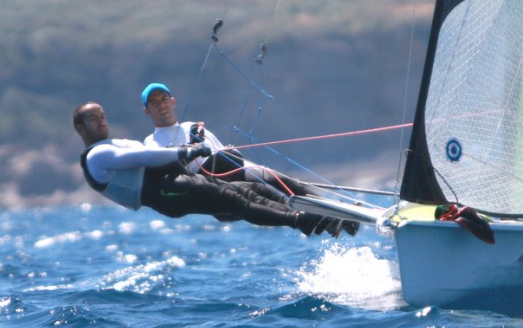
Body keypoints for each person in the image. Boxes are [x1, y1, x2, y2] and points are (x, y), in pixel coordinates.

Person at [73, 101, 357, 237]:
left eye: (103, 116)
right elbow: (145, 157)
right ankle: (303, 221)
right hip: (166, 193)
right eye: (93, 119)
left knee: (253, 189)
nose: (101, 122)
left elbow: (157, 157)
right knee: (235, 200)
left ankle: (321, 217)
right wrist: (186, 151)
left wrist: (192, 145)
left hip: (174, 182)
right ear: (80, 128)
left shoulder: (114, 143)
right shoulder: (97, 156)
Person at [140, 82, 318, 199]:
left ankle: (329, 207)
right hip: (210, 185)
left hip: (232, 167)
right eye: (154, 103)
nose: (161, 105)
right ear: (147, 110)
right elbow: (166, 170)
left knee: (276, 178)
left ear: (172, 102)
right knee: (258, 186)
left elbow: (224, 153)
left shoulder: (193, 126)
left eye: (164, 99)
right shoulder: (151, 142)